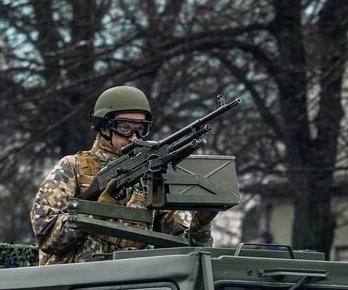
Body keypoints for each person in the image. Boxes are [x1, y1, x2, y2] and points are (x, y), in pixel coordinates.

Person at [31, 86, 214, 266]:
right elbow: (47, 238)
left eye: (140, 129)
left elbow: (190, 250)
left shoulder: (151, 178)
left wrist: (201, 224)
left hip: (133, 287)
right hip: (76, 286)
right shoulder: (72, 167)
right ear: (103, 127)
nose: (134, 137)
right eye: (125, 127)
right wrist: (97, 211)